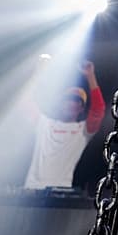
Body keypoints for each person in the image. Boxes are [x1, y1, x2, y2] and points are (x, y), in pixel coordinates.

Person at [23, 61, 105, 190]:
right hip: (32, 188)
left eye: (76, 100)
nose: (71, 103)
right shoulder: (44, 123)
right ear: (61, 105)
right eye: (68, 99)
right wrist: (37, 74)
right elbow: (25, 101)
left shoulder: (83, 131)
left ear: (81, 108)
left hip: (60, 190)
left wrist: (90, 76)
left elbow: (98, 110)